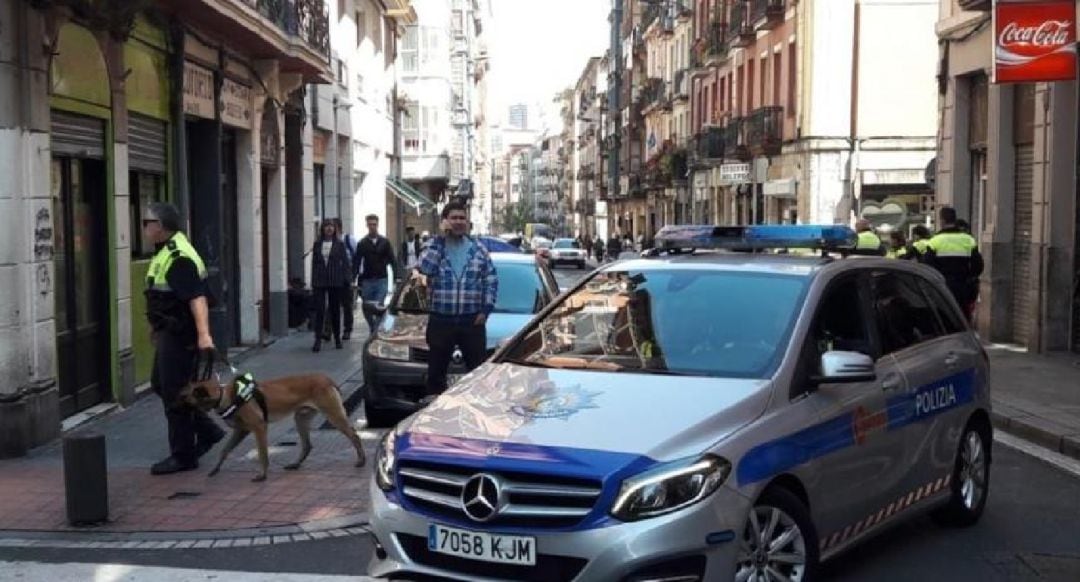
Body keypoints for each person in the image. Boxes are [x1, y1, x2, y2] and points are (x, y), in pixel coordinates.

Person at [142, 202, 224, 475]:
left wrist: (204, 335)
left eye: (147, 222)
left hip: (180, 335)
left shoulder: (178, 256)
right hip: (170, 332)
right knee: (162, 384)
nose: (144, 227)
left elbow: (196, 297)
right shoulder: (166, 250)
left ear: (160, 227)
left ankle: (183, 455)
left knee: (174, 394)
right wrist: (156, 327)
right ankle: (208, 430)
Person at [413, 201, 498, 399]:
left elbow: (491, 280)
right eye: (454, 218)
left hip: (472, 321)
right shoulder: (434, 246)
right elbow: (424, 268)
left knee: (477, 374)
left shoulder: (478, 250)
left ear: (467, 222)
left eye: (462, 218)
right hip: (442, 319)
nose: (459, 222)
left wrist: (485, 311)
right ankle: (435, 415)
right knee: (435, 375)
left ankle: (475, 413)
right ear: (445, 221)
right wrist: (440, 239)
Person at [925, 207, 983, 323]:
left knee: (944, 321)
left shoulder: (935, 241)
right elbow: (978, 265)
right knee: (963, 319)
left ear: (942, 221)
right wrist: (969, 278)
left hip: (942, 288)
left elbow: (927, 267)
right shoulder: (968, 240)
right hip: (963, 287)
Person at [310, 219, 351, 352]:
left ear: (335, 229)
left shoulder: (339, 244)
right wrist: (314, 281)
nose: (329, 229)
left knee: (334, 310)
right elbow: (314, 264)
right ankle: (317, 340)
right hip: (320, 282)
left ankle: (337, 338)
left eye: (331, 227)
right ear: (322, 229)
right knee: (320, 310)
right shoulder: (317, 244)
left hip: (335, 281)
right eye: (326, 226)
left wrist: (347, 280)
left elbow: (345, 263)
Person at [353, 214, 397, 333]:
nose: (372, 227)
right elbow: (357, 261)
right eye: (370, 224)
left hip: (381, 279)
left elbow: (392, 260)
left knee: (379, 306)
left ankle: (376, 330)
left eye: (374, 224)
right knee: (366, 307)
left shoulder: (384, 242)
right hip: (367, 279)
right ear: (367, 225)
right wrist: (354, 278)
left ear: (378, 225)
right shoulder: (362, 243)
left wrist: (396, 278)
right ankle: (372, 326)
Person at [334, 218, 357, 341]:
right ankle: (328, 330)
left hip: (346, 277)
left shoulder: (349, 239)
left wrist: (355, 275)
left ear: (339, 228)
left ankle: (347, 329)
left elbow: (357, 256)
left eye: (334, 227)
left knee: (347, 305)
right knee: (332, 305)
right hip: (332, 278)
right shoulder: (330, 242)